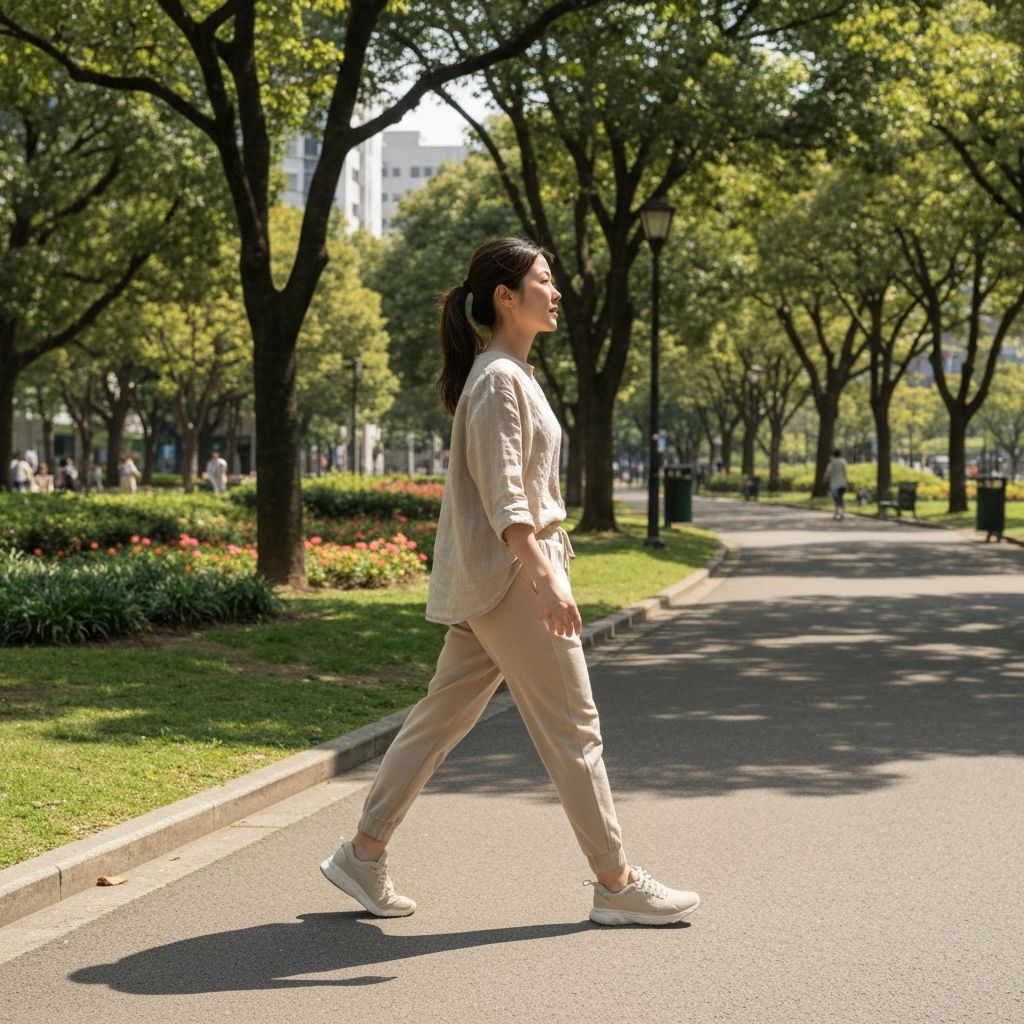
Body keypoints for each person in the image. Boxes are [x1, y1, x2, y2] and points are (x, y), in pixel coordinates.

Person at [318, 237, 700, 927]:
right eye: (544, 281)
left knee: (439, 719)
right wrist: (545, 576)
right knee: (574, 729)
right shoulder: (498, 379)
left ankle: (363, 853)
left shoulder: (507, 375)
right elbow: (505, 496)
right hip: (514, 580)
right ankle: (615, 882)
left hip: (494, 582)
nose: (556, 293)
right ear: (505, 295)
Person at [825, 448, 849, 520]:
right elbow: (845, 472)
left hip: (835, 484)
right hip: (843, 483)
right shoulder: (843, 461)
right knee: (840, 498)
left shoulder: (832, 462)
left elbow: (828, 472)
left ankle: (838, 512)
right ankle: (840, 512)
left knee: (836, 499)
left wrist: (825, 479)